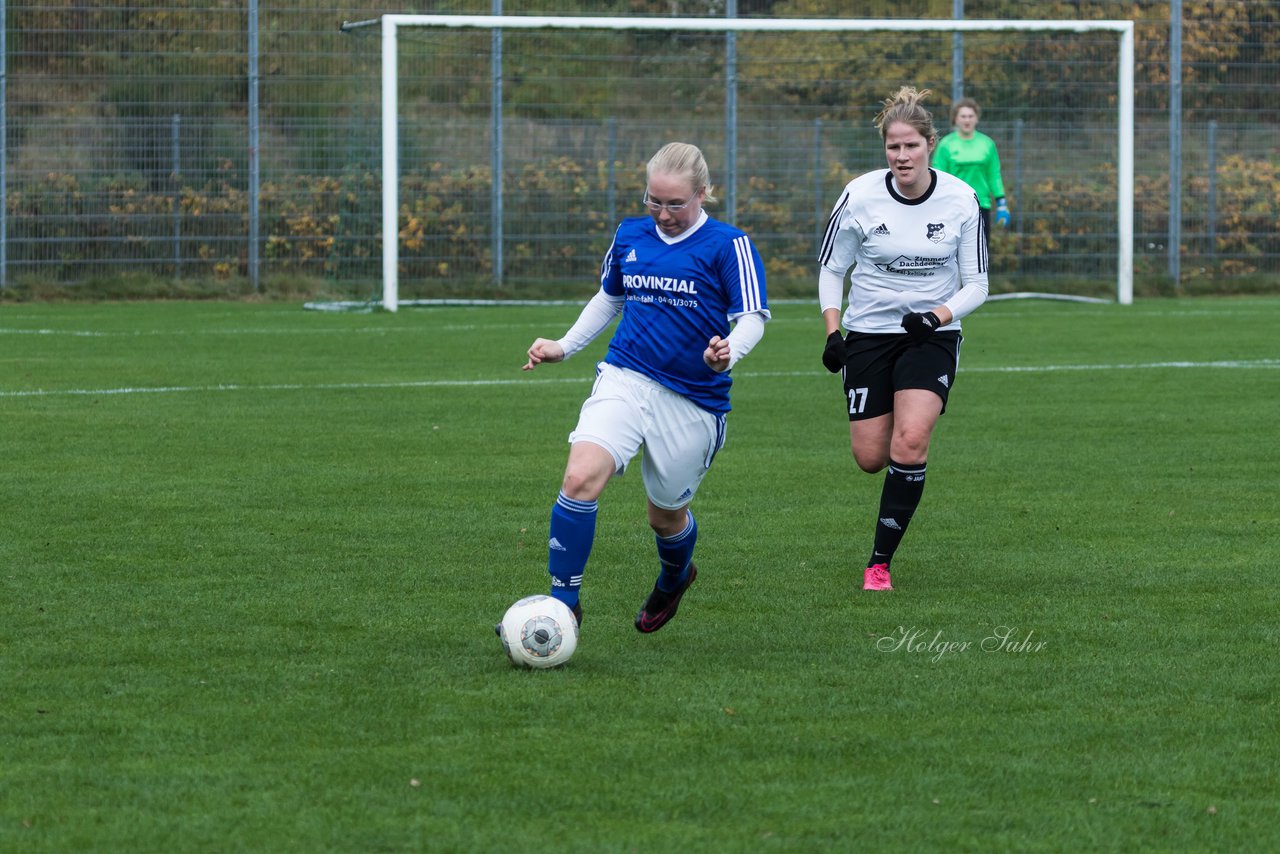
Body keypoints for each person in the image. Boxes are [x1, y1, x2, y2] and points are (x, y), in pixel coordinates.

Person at [522, 141, 770, 632]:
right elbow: (610, 297)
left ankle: (675, 575)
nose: (663, 213)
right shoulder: (631, 234)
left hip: (693, 400)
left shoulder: (728, 245)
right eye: (653, 201)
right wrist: (564, 346)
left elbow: (753, 318)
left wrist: (728, 351)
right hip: (626, 376)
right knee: (579, 479)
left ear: (703, 194)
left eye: (675, 203)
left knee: (665, 517)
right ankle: (562, 605)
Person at [817, 87, 989, 591]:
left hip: (930, 337)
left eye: (911, 146)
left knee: (909, 442)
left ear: (930, 144)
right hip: (868, 333)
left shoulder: (960, 199)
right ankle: (896, 416)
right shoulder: (858, 195)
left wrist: (937, 317)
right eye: (893, 147)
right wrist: (834, 332)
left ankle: (879, 564)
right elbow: (832, 269)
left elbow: (977, 284)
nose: (902, 156)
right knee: (871, 458)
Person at [931, 97, 1010, 242]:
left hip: (981, 206)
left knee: (980, 253)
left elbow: (994, 175)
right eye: (963, 116)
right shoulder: (946, 145)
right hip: (952, 207)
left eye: (970, 116)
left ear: (976, 119)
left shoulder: (987, 144)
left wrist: (1001, 204)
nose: (967, 120)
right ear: (955, 119)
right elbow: (937, 177)